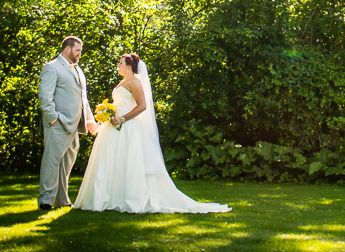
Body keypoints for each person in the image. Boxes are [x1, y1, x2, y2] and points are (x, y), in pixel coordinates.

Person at [73, 53, 231, 214]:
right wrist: (108, 112)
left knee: (127, 161)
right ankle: (109, 196)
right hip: (113, 126)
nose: (118, 66)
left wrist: (122, 118)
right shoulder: (122, 81)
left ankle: (128, 197)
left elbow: (142, 106)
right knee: (112, 162)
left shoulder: (135, 82)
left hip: (127, 125)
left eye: (120, 63)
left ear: (128, 66)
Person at [37, 36, 97, 210]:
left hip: (75, 125)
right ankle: (46, 200)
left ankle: (62, 199)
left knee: (66, 165)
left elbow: (82, 99)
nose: (80, 54)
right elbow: (45, 97)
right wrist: (53, 120)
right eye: (77, 50)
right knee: (52, 162)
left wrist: (90, 120)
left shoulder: (78, 70)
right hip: (59, 124)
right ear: (67, 49)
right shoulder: (52, 67)